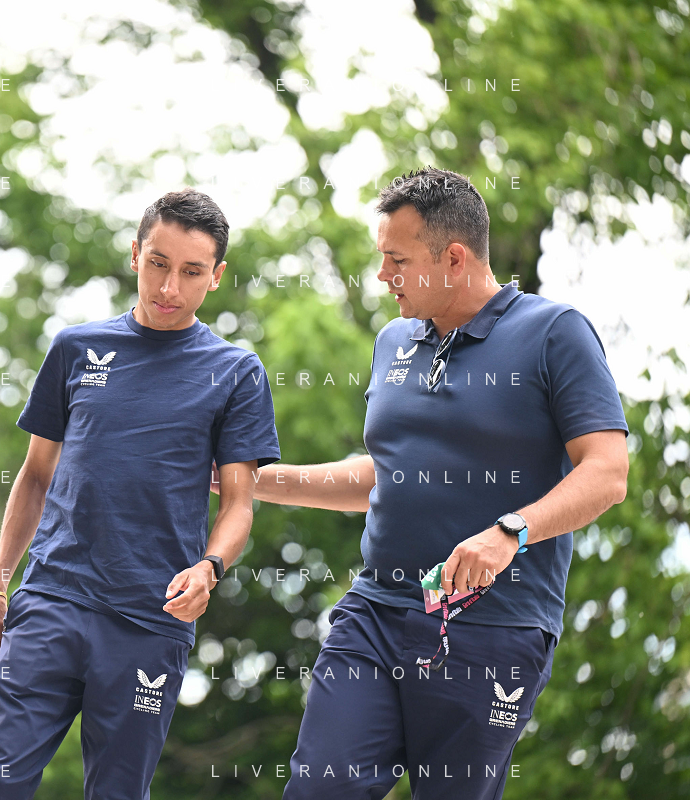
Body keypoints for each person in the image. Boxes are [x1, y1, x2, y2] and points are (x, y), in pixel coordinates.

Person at [222, 168, 628, 800]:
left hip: (494, 628)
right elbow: (384, 474)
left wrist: (511, 532)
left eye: (398, 260)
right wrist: (246, 480)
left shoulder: (555, 332)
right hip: (375, 613)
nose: (383, 275)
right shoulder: (394, 340)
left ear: (454, 258)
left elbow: (607, 471)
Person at [0, 188, 281, 799]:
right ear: (135, 254)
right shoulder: (75, 349)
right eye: (158, 263)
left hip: (151, 621)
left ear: (216, 277)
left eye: (191, 272)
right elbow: (35, 477)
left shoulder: (236, 373)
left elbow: (239, 504)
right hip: (51, 600)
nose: (169, 287)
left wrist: (210, 568)